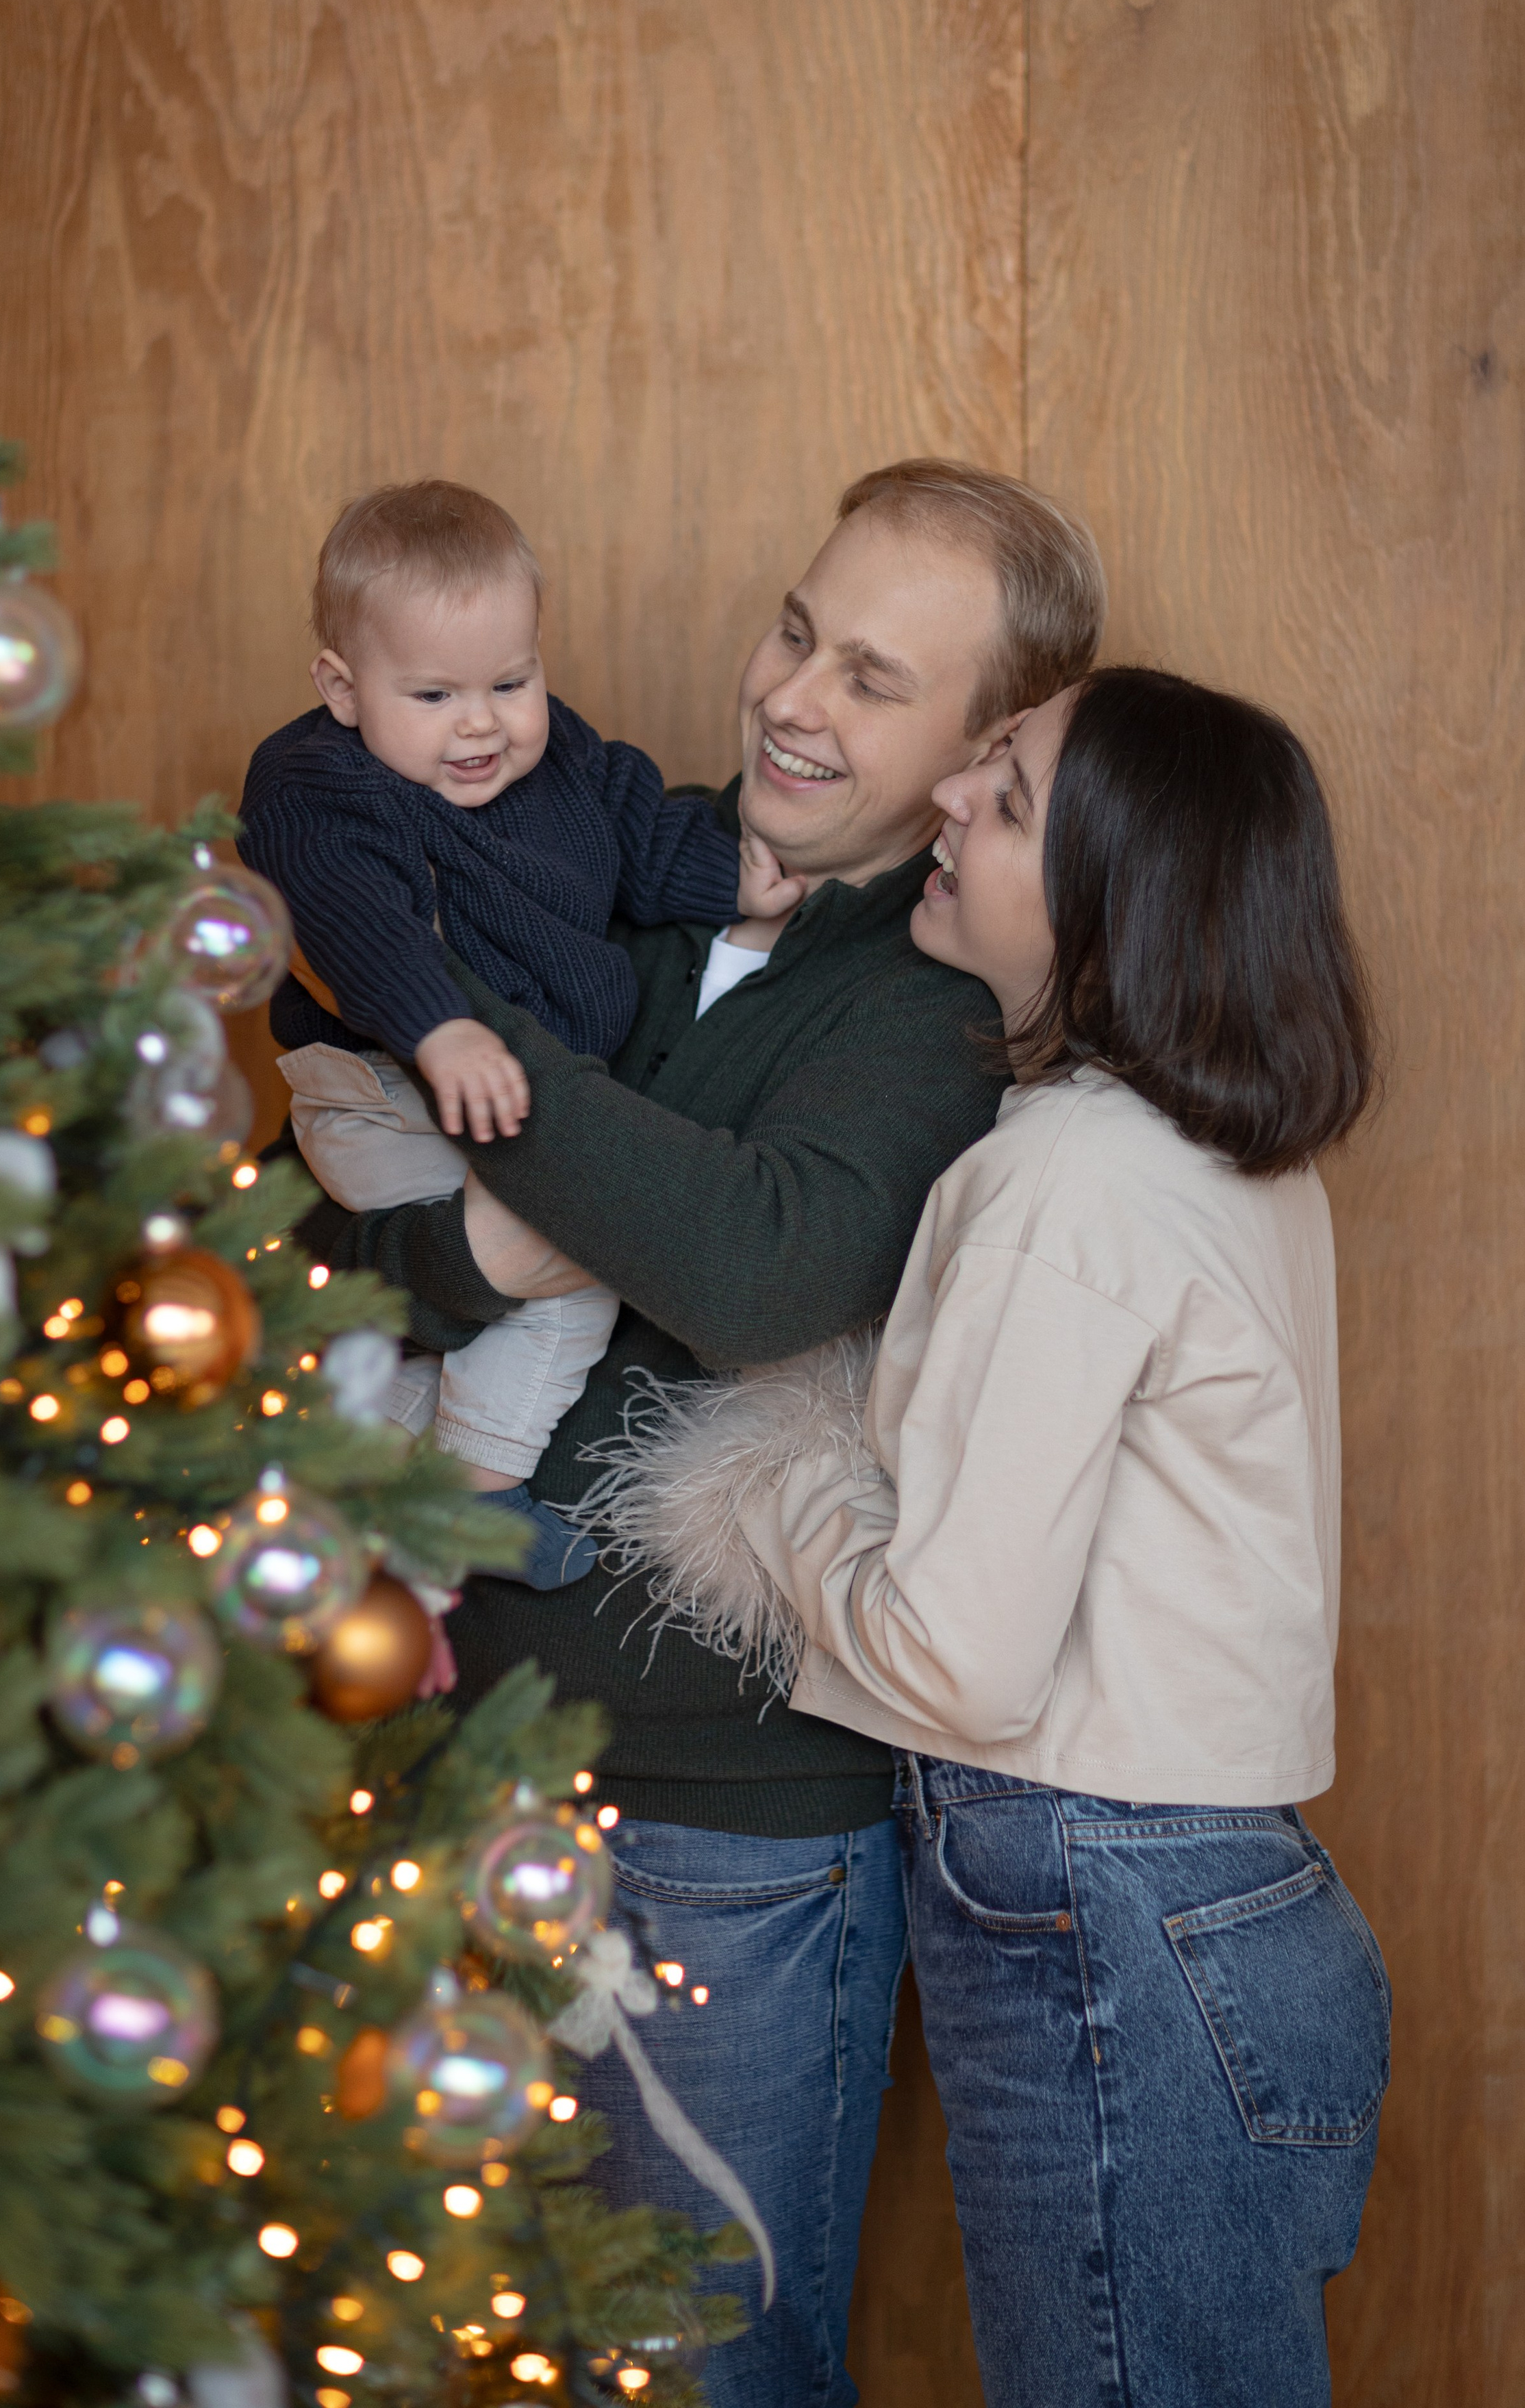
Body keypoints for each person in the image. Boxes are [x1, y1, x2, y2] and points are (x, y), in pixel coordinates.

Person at [280, 459, 1107, 2408]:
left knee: (700, 2376)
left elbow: (754, 1268)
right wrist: (481, 1228)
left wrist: (464, 1048)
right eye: (798, 631)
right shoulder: (597, 853)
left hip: (716, 1832)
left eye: (875, 683)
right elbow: (299, 1241)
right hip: (429, 1752)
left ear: (987, 752)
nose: (795, 702)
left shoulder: (932, 1005)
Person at [611, 666, 1387, 2405]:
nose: (949, 806)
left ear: (1124, 900)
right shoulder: (1209, 1156)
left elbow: (958, 1656)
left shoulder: (1068, 1182)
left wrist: (767, 1465)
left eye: (1011, 798)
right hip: (1208, 1911)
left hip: (1110, 1904)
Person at [239, 479, 802, 1573]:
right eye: (436, 694)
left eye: (513, 680)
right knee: (565, 1271)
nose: (483, 723)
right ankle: (482, 1502)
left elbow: (639, 832)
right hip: (387, 1082)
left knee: (454, 1320)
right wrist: (437, 1027)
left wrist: (740, 878)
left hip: (491, 1086)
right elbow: (353, 922)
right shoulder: (320, 785)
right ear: (343, 690)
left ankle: (367, 1471)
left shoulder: (557, 764)